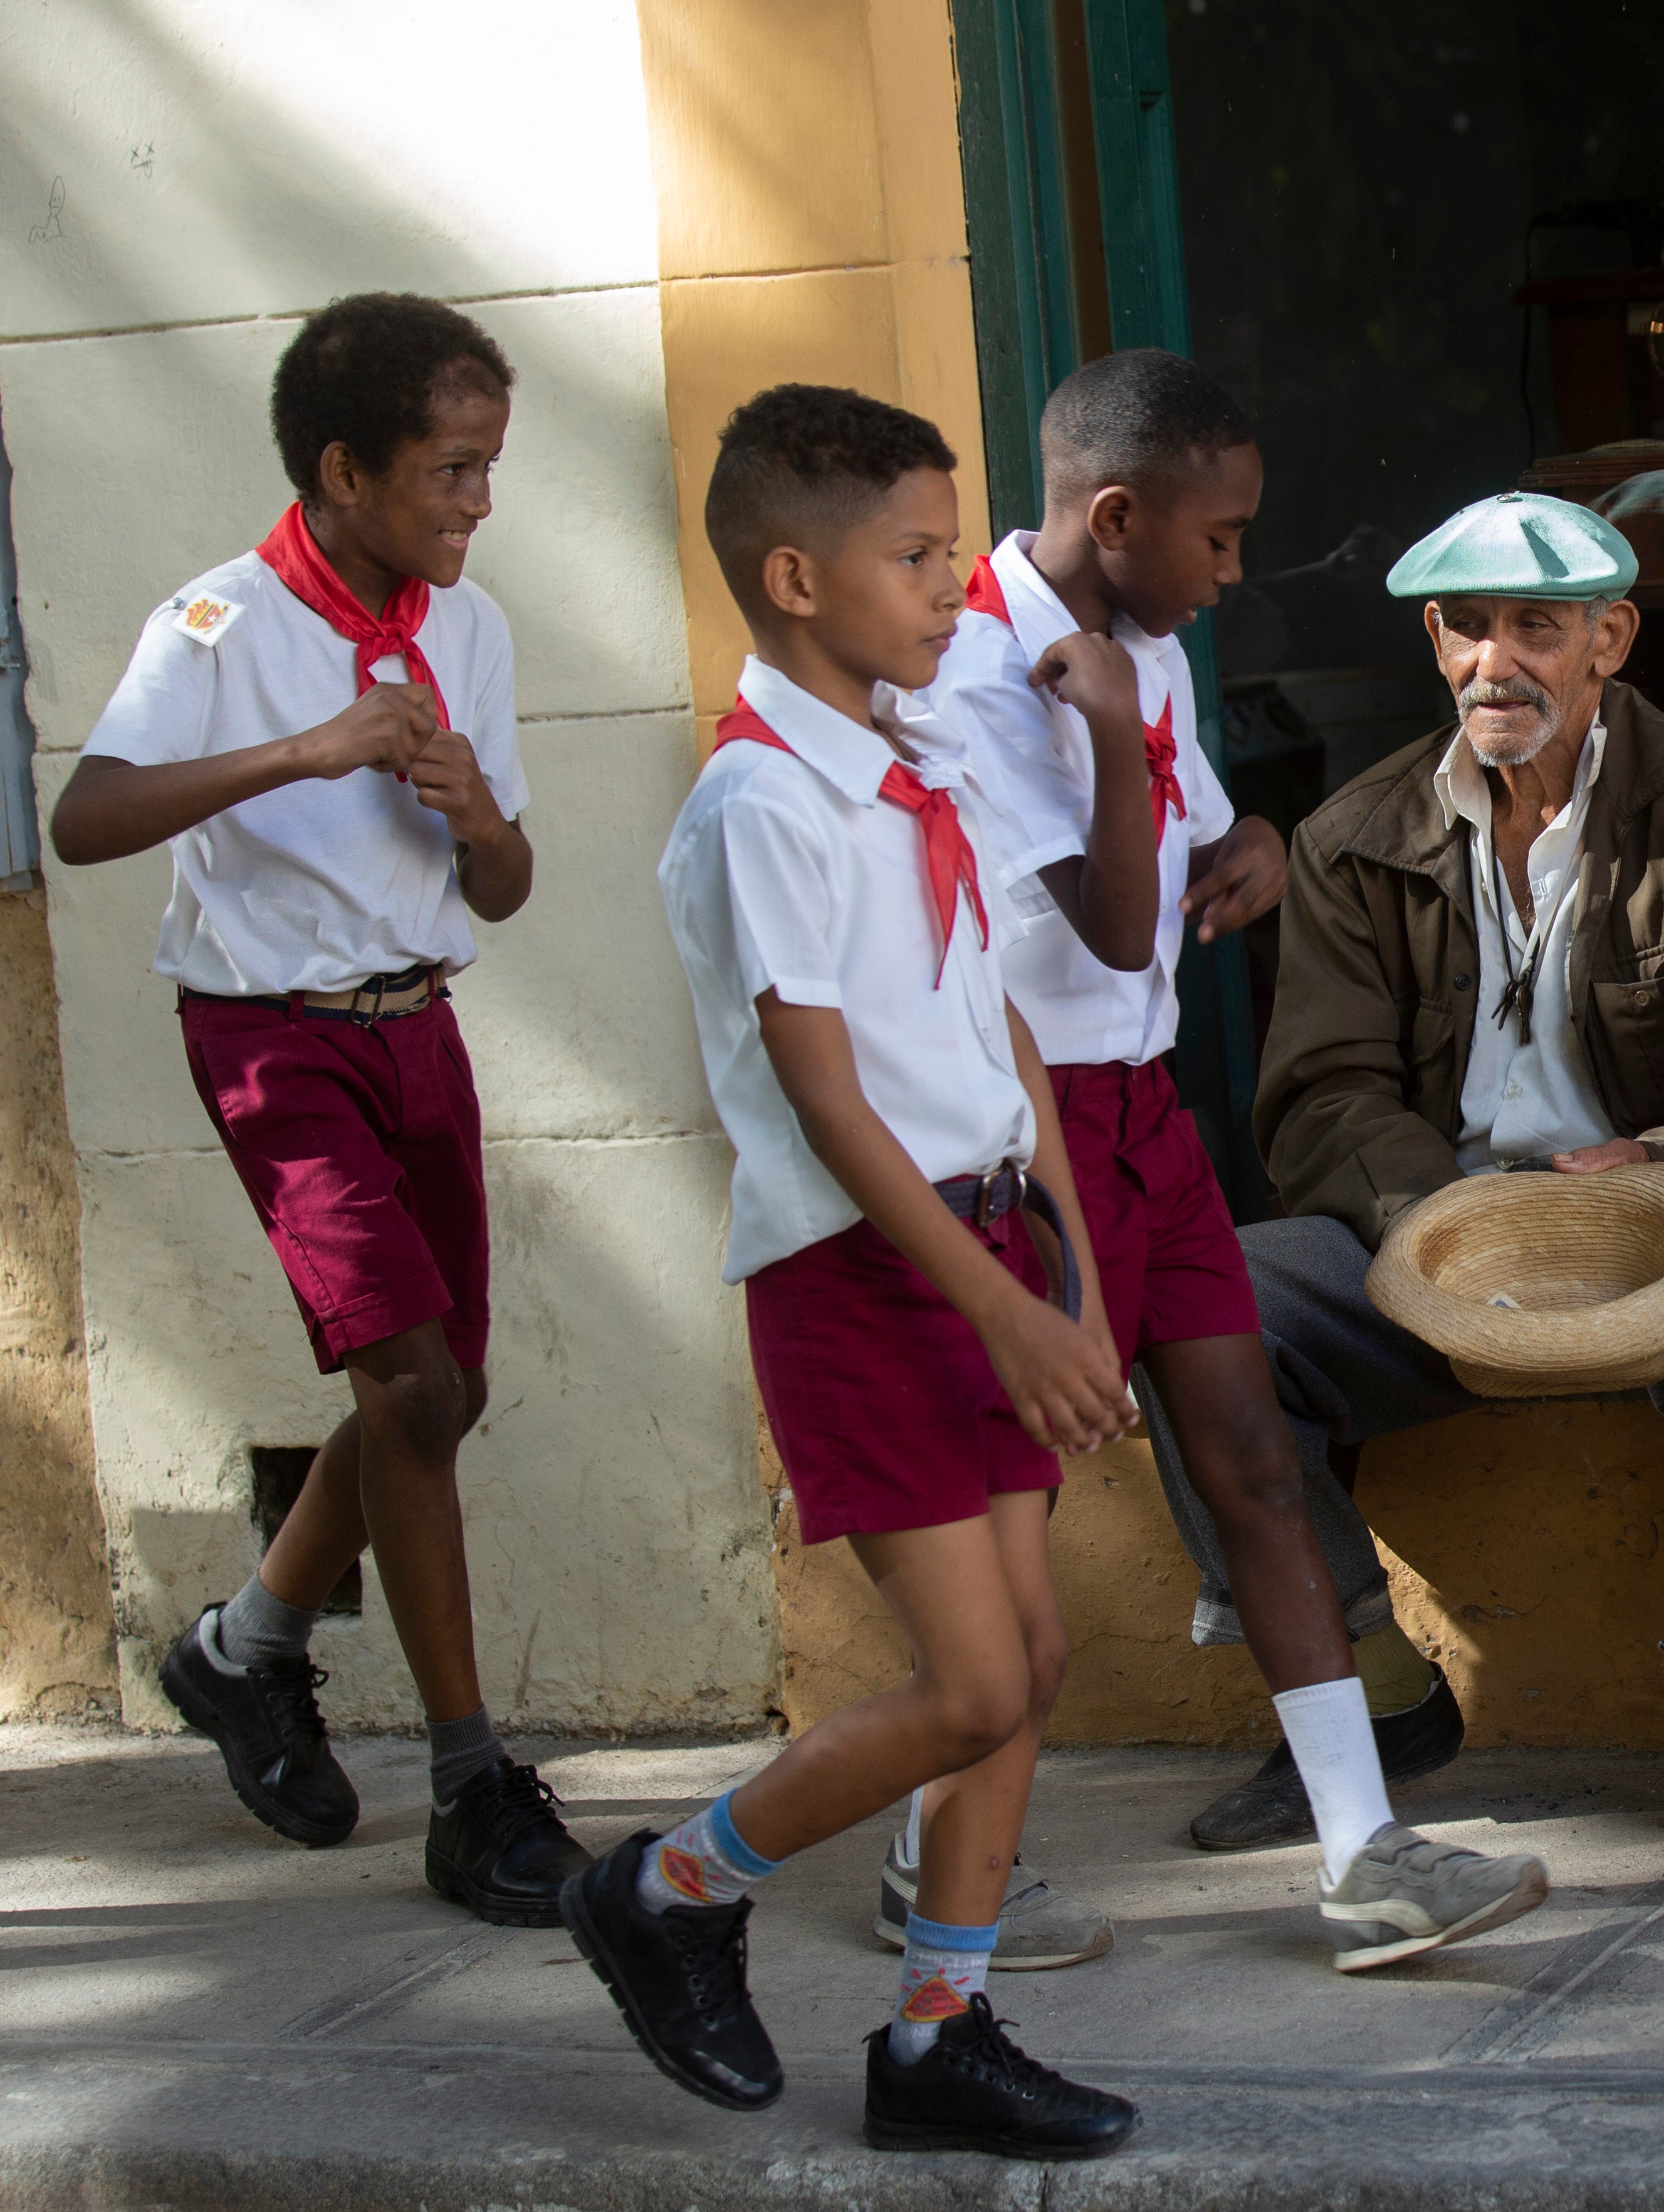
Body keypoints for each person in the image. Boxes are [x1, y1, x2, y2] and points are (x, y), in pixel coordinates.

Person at [913, 349, 1547, 1972]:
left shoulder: (1146, 643)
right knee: (1009, 1495)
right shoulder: (975, 674)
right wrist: (1127, 753)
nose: (1235, 571)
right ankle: (938, 1853)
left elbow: (1180, 856)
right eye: (1218, 537)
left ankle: (1365, 1851)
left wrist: (1248, 843)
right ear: (1114, 514)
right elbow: (1115, 918)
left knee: (1252, 1453)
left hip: (1142, 1109)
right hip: (1019, 1127)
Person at [1152, 491, 1664, 1905]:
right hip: (1440, 1252)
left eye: (1538, 627)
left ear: (1612, 638)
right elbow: (1321, 1100)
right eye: (1468, 627)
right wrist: (1452, 1223)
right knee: (1198, 1296)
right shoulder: (1358, 836)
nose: (1499, 660)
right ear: (1433, 641)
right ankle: (1358, 1688)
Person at [588, 382, 1140, 2156]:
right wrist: (993, 1304)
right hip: (862, 1279)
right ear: (795, 579)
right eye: (915, 556)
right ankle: (671, 1885)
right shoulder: (762, 803)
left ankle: (936, 2033)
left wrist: (1077, 1285)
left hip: (988, 1250)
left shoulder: (923, 763)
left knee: (1033, 1658)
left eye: (948, 547)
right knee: (971, 1680)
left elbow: (996, 1030)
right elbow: (827, 1105)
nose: (951, 586)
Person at [51, 295, 587, 1926]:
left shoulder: (467, 628)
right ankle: (470, 1784)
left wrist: (479, 811)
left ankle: (245, 1648)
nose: (476, 504)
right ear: (343, 472)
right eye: (450, 471)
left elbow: (500, 890)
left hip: (417, 1026)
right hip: (273, 1040)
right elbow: (87, 817)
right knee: (410, 1392)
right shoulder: (216, 625)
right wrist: (303, 749)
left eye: (489, 469)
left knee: (448, 1389)